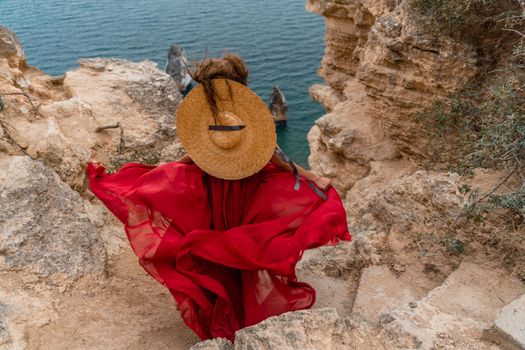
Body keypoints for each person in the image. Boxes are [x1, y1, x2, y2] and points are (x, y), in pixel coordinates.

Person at [86, 53, 351, 342]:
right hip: (246, 189)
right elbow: (277, 158)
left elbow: (195, 154)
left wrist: (162, 171)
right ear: (240, 85)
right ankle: (240, 305)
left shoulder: (211, 117)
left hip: (214, 189)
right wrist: (312, 178)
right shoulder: (245, 118)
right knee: (239, 244)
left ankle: (219, 305)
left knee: (217, 239)